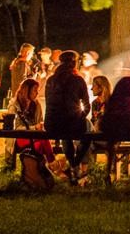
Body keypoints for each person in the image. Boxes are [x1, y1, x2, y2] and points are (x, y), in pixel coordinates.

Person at [44, 50, 91, 184]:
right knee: (88, 135)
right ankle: (75, 165)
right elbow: (87, 106)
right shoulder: (78, 80)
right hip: (70, 123)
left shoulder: (50, 80)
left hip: (51, 124)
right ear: (74, 63)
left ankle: (73, 168)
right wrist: (80, 117)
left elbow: (48, 102)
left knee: (66, 134)